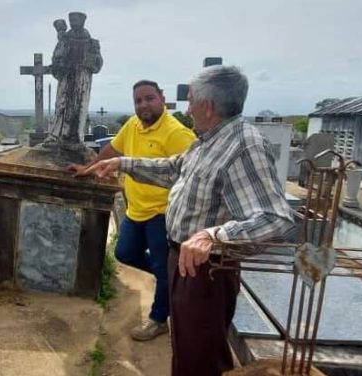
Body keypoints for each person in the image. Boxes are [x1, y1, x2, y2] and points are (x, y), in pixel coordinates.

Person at [76, 66, 294, 376]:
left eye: (191, 101)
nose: (187, 108)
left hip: (208, 269)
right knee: (187, 347)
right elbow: (173, 169)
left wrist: (213, 236)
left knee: (201, 356)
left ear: (207, 106)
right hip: (184, 260)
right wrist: (121, 163)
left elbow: (277, 218)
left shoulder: (244, 145)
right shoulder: (207, 141)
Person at [72, 80, 196, 341]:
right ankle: (170, 277)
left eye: (149, 98)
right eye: (138, 101)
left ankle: (158, 319)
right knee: (125, 253)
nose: (143, 105)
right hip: (136, 209)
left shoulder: (177, 133)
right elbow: (112, 150)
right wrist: (88, 168)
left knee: (162, 269)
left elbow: (192, 175)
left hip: (163, 213)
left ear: (162, 98)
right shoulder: (132, 126)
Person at [46, 12, 103, 152]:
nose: (72, 22)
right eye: (71, 20)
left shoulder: (91, 42)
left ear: (83, 20)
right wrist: (58, 64)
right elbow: (56, 56)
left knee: (79, 106)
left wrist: (93, 58)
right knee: (61, 104)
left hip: (82, 77)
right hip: (67, 76)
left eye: (75, 20)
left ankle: (75, 137)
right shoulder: (64, 39)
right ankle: (55, 135)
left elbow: (98, 64)